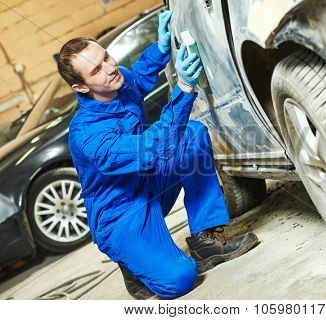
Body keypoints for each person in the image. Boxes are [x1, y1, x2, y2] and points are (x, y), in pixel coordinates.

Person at [57, 11, 258, 299]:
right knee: (180, 279)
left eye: (106, 57)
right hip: (121, 213)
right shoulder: (87, 135)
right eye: (97, 70)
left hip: (149, 182)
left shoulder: (116, 80)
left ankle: (205, 237)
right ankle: (130, 261)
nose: (109, 67)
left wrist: (161, 48)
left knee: (191, 134)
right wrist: (185, 88)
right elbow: (151, 151)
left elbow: (136, 78)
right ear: (81, 87)